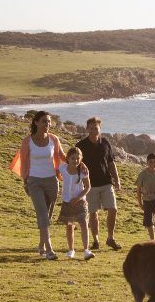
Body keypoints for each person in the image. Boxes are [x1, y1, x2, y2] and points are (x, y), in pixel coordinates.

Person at [15, 111, 66, 260]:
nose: (47, 124)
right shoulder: (27, 141)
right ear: (36, 123)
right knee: (42, 214)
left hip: (52, 181)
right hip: (34, 181)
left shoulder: (53, 139)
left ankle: (41, 244)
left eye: (49, 121)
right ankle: (49, 250)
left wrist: (79, 163)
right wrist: (25, 181)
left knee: (47, 215)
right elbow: (23, 162)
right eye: (44, 121)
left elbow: (62, 156)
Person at [75, 116, 122, 251]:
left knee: (113, 209)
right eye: (91, 128)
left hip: (106, 182)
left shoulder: (105, 143)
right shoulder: (80, 146)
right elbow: (75, 164)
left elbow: (111, 163)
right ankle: (95, 240)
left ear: (100, 129)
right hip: (90, 185)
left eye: (96, 128)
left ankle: (110, 238)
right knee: (93, 213)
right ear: (87, 129)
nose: (93, 131)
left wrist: (117, 179)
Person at [57, 147, 93, 259]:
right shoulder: (63, 168)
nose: (75, 160)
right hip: (67, 202)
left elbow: (88, 187)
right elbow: (57, 172)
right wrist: (58, 179)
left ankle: (86, 250)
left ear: (81, 159)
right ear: (68, 158)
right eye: (73, 158)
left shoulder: (83, 171)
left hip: (80, 202)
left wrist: (77, 198)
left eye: (78, 158)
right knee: (69, 226)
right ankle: (71, 250)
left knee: (83, 224)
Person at [135, 153, 155, 241]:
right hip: (147, 199)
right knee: (149, 221)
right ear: (147, 162)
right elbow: (138, 190)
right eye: (150, 162)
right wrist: (140, 203)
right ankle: (152, 240)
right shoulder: (142, 174)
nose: (153, 164)